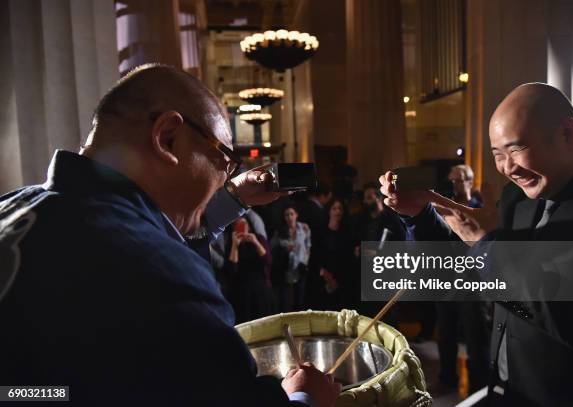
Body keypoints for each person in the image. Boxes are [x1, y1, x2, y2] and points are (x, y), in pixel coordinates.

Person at [0, 64, 340, 406]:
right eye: (225, 159)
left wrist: (231, 198)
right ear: (167, 138)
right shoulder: (155, 269)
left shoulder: (13, 207)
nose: (225, 179)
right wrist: (306, 398)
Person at [379, 83, 573, 406]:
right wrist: (419, 215)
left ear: (567, 133)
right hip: (505, 390)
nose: (506, 168)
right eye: (497, 155)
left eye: (515, 150)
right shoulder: (519, 196)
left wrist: (487, 244)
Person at [434, 164, 490, 394]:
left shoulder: (480, 208)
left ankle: (479, 386)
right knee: (445, 334)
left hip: (473, 282)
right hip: (446, 280)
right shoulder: (442, 209)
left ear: (469, 181)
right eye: (451, 180)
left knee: (475, 337)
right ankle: (447, 378)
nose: (454, 184)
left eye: (459, 180)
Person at [226, 217, 276, 323]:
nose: (241, 228)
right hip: (242, 289)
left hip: (260, 287)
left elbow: (267, 260)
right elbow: (232, 268)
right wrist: (235, 245)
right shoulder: (232, 243)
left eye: (243, 224)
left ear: (248, 226)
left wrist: (255, 242)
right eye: (237, 225)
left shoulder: (259, 238)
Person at [313, 197, 353, 310]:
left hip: (342, 281)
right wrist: (326, 276)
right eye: (334, 208)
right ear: (329, 211)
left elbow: (348, 260)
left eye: (340, 208)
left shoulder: (347, 233)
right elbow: (315, 256)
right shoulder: (321, 232)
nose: (337, 211)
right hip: (323, 279)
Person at [271, 204, 311, 312]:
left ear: (296, 215)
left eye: (292, 214)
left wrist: (305, 262)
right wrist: (284, 250)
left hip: (300, 267)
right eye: (287, 215)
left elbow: (308, 246)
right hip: (286, 268)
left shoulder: (304, 228)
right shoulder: (280, 231)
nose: (289, 217)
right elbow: (272, 248)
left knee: (300, 300)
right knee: (285, 301)